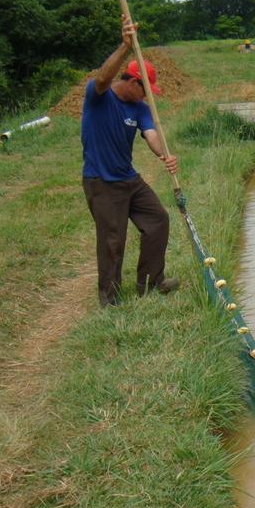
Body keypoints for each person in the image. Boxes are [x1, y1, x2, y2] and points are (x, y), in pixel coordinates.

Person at [81, 15, 179, 307]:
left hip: (128, 178)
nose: (147, 97)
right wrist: (125, 46)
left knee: (158, 220)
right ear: (134, 82)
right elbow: (103, 77)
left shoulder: (140, 107)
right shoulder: (98, 96)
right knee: (113, 241)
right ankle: (109, 300)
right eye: (145, 90)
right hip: (101, 181)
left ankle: (150, 282)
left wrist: (164, 155)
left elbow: (150, 134)